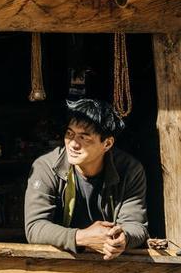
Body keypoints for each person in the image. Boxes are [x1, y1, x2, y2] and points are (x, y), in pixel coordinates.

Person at [24, 98, 149, 260]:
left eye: (84, 137)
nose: (73, 144)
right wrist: (83, 237)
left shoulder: (129, 170)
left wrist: (121, 239)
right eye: (70, 134)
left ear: (107, 143)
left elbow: (136, 225)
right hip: (60, 261)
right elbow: (35, 227)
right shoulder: (46, 167)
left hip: (113, 261)